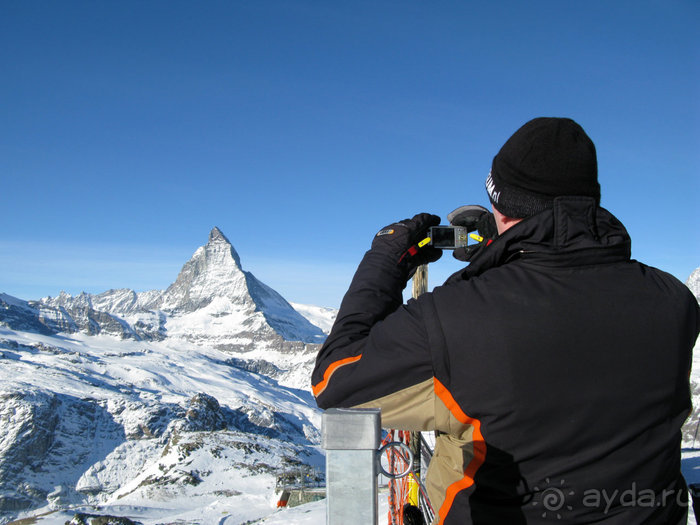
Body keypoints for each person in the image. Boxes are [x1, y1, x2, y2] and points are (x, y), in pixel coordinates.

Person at [312, 117, 700, 524]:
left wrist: (384, 262)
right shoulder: (674, 299)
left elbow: (335, 382)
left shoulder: (451, 319)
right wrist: (506, 258)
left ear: (502, 205)